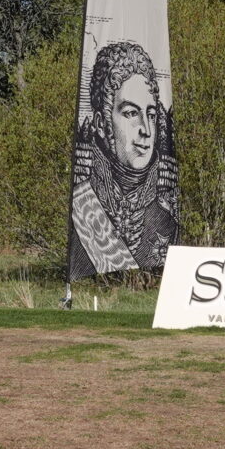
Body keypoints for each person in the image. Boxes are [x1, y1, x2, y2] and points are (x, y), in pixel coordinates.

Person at [70, 39, 177, 274]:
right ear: (101, 123)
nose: (146, 130)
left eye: (151, 115)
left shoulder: (166, 213)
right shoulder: (81, 204)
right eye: (131, 113)